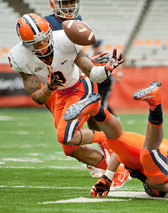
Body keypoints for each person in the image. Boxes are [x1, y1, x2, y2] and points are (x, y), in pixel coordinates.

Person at [8, 13, 129, 189]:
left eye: (45, 39)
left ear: (50, 31)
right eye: (37, 43)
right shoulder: (19, 57)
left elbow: (93, 73)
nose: (44, 45)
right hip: (60, 94)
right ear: (26, 45)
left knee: (65, 135)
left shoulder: (65, 40)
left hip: (80, 86)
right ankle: (117, 171)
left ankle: (108, 138)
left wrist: (106, 70)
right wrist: (49, 87)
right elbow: (37, 98)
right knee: (69, 148)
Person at [44, 0, 117, 178]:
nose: (69, 6)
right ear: (54, 3)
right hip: (56, 86)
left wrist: (90, 62)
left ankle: (112, 159)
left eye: (72, 2)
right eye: (65, 2)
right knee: (69, 145)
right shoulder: (44, 24)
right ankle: (106, 164)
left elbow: (74, 56)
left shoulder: (77, 20)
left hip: (78, 81)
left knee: (91, 114)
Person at [88, 40, 123, 116]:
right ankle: (113, 117)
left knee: (103, 100)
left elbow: (117, 62)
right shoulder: (90, 55)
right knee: (96, 100)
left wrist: (119, 74)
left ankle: (107, 120)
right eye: (94, 47)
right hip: (95, 80)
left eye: (96, 47)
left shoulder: (106, 54)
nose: (95, 48)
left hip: (106, 79)